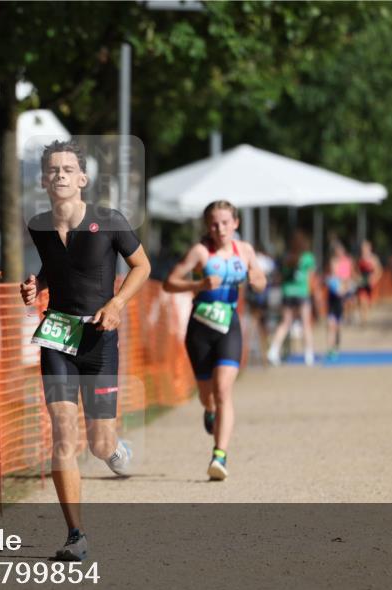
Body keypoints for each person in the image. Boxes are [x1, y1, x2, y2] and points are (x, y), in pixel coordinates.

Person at [20, 140, 150, 561]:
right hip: (57, 336)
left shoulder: (109, 221)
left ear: (82, 179)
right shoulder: (38, 225)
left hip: (98, 339)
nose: (60, 175)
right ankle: (75, 534)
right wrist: (36, 286)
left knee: (97, 442)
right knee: (62, 432)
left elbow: (142, 266)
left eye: (67, 169)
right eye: (53, 169)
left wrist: (116, 303)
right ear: (44, 180)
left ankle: (113, 449)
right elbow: (55, 270)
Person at [163, 201, 267, 480]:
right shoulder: (200, 252)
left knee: (223, 391)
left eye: (225, 222)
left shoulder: (243, 250)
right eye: (213, 223)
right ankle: (209, 411)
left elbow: (260, 280)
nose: (219, 228)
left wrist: (255, 278)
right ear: (207, 227)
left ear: (235, 223)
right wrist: (198, 285)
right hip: (200, 328)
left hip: (228, 325)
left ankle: (219, 455)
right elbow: (169, 282)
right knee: (207, 396)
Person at [267, 230, 316, 366]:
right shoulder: (308, 257)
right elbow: (310, 278)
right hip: (302, 293)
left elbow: (280, 276)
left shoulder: (286, 257)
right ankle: (308, 354)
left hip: (287, 292)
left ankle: (273, 350)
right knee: (306, 324)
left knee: (285, 323)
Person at [246, 244, 276, 367]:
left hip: (254, 297)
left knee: (254, 323)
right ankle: (263, 356)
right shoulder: (266, 260)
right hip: (262, 298)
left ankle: (250, 353)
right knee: (262, 326)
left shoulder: (250, 258)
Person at [325, 241, 354, 360]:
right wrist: (332, 282)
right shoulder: (333, 262)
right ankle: (331, 349)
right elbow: (333, 276)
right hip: (332, 298)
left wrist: (345, 289)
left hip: (341, 297)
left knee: (338, 325)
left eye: (341, 251)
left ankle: (336, 346)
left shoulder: (346, 262)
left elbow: (346, 278)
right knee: (331, 324)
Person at [355, 240, 383, 325]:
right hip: (361, 281)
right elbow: (356, 270)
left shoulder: (374, 258)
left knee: (367, 301)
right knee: (361, 300)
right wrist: (357, 277)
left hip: (370, 282)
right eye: (363, 248)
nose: (364, 249)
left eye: (366, 248)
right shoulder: (359, 258)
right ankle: (363, 319)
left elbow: (379, 271)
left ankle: (365, 316)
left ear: (370, 248)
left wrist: (374, 279)